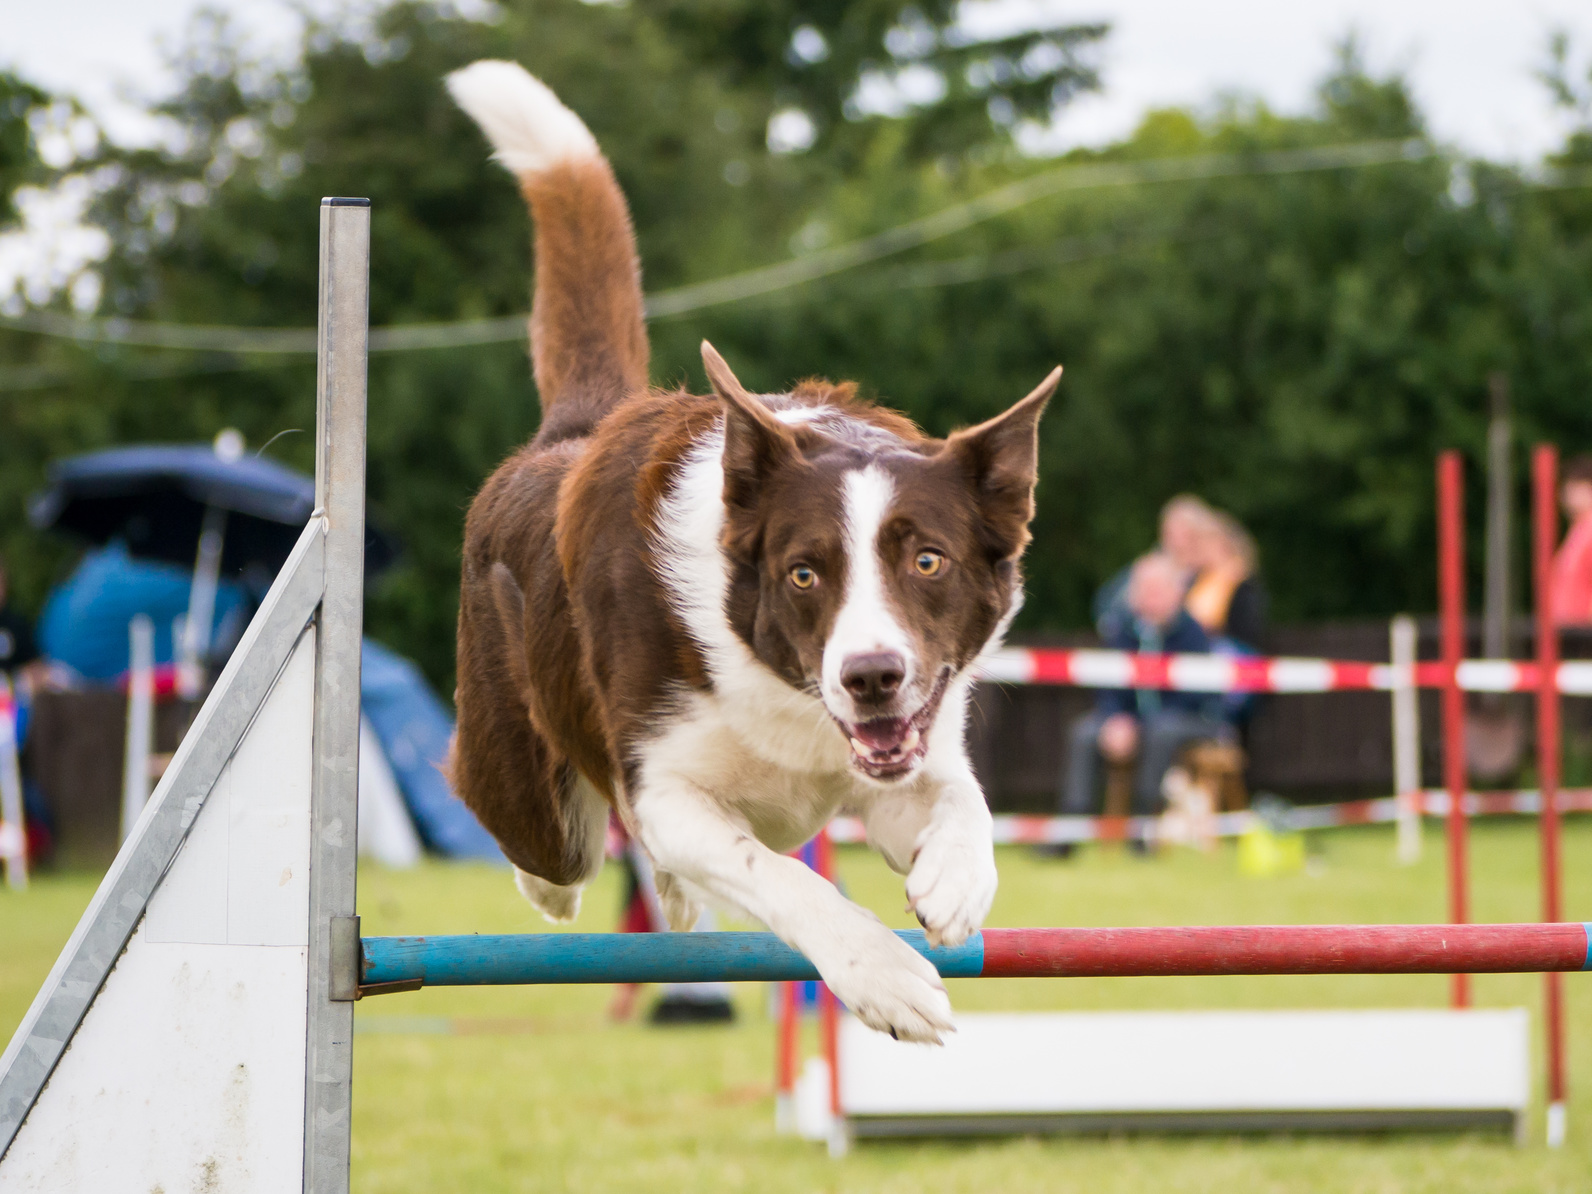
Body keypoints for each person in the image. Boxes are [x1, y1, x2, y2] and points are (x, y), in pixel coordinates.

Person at [1059, 552, 1235, 843]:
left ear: (1176, 593)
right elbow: (1108, 685)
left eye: (1154, 590)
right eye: (1141, 589)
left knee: (1161, 730)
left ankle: (1144, 826)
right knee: (1085, 732)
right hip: (1136, 721)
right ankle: (1068, 831)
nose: (1146, 597)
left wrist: (1140, 723)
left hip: (1193, 721)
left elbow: (1199, 695)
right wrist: (1116, 719)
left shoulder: (1194, 634)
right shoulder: (1122, 630)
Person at [1093, 495, 1217, 639]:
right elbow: (1107, 608)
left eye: (1187, 535)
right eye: (1172, 534)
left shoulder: (1215, 574)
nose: (1179, 542)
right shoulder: (1149, 569)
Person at [1184, 511, 1267, 651]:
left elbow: (1248, 628)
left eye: (1207, 543)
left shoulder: (1241, 580)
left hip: (1234, 648)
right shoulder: (1198, 578)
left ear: (1224, 545)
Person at [1550, 454, 1592, 627]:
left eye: (1574, 488)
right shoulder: (1578, 530)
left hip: (1583, 632)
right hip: (1569, 630)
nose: (1566, 496)